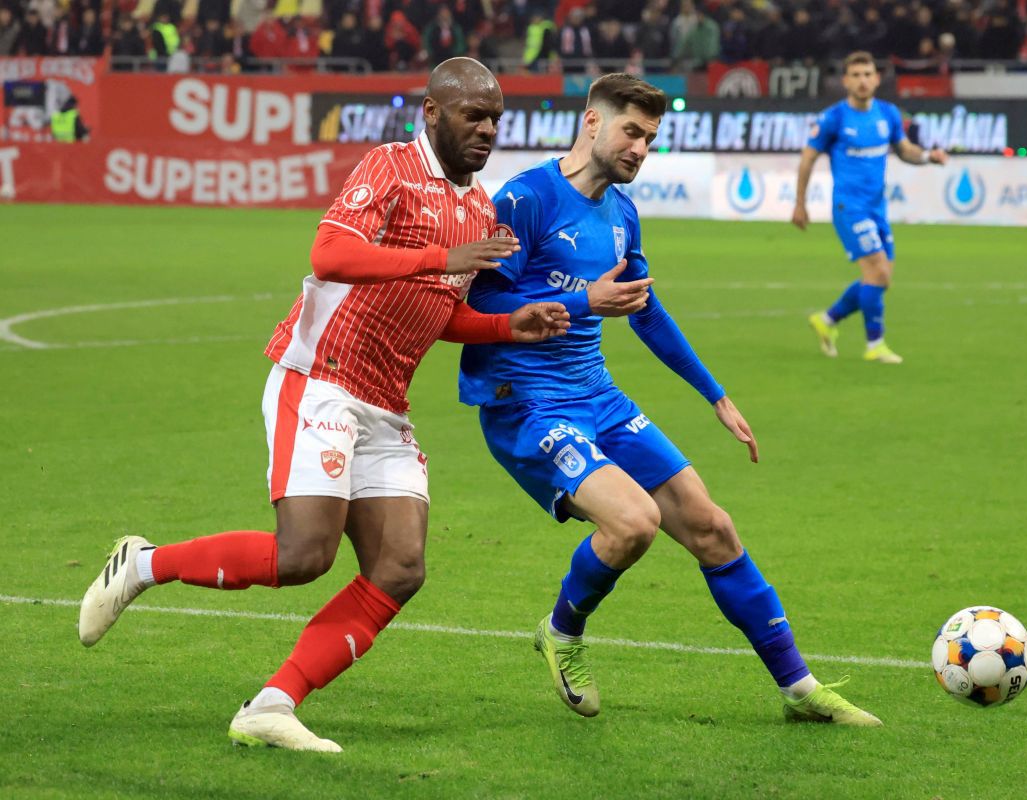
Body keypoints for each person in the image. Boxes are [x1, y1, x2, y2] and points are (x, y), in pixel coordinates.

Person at [77, 58, 570, 754]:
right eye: (473, 115)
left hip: (385, 404)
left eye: (495, 118)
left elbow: (436, 312)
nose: (487, 129)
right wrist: (439, 257)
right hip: (323, 378)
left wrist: (504, 326)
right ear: (433, 113)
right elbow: (330, 254)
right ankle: (142, 565)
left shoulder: (478, 208)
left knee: (400, 568)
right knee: (304, 554)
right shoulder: (391, 167)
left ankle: (271, 705)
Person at [459, 73, 882, 727]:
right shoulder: (525, 199)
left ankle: (800, 688)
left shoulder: (622, 213)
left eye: (650, 139)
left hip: (597, 394)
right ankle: (562, 631)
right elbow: (480, 300)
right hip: (527, 404)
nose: (640, 149)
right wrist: (583, 301)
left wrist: (716, 395)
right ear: (592, 122)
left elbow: (646, 310)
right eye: (631, 132)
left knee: (713, 527)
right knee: (633, 524)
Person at [794, 51, 947, 365]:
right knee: (877, 271)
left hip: (877, 208)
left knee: (881, 278)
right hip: (848, 207)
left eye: (867, 74)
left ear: (877, 79)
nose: (862, 81)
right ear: (845, 81)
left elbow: (905, 150)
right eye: (856, 75)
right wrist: (800, 204)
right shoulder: (834, 118)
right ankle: (874, 344)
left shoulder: (888, 114)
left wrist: (928, 157)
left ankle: (827, 319)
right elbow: (808, 158)